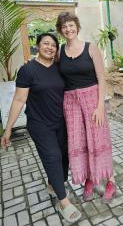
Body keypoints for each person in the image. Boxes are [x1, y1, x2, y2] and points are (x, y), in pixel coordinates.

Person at [1, 33, 81, 223]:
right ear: (37, 46)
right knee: (52, 157)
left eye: (53, 45)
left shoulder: (58, 67)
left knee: (64, 156)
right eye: (45, 43)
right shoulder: (28, 70)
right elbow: (19, 99)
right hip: (39, 124)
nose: (50, 47)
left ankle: (54, 185)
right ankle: (63, 202)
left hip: (61, 122)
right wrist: (8, 128)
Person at [56, 12, 116, 203]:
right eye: (64, 26)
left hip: (92, 100)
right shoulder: (59, 52)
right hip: (71, 103)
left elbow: (101, 78)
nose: (68, 29)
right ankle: (89, 179)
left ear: (77, 26)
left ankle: (110, 180)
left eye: (71, 25)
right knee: (79, 143)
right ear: (60, 30)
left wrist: (100, 107)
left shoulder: (91, 48)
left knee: (99, 140)